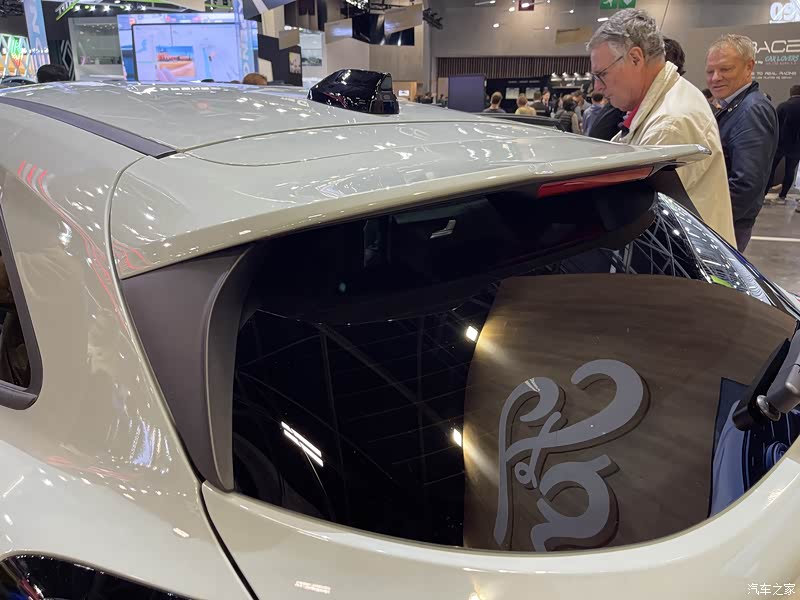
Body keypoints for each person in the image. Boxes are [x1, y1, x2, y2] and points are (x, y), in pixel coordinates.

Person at [587, 9, 735, 247]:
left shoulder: (669, 123)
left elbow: (637, 224)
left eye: (601, 74)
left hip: (682, 260)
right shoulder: (672, 97)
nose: (598, 87)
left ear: (635, 58)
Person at [707, 34, 778, 252]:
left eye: (725, 69)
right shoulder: (735, 106)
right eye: (710, 71)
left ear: (749, 67)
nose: (715, 78)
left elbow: (746, 183)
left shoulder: (752, 110)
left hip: (726, 225)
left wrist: (708, 222)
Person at [765, 85, 800, 206]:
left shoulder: (783, 106)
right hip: (797, 146)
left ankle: (764, 194)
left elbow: (774, 125)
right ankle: (782, 196)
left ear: (791, 93)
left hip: (780, 144)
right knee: (790, 171)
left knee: (771, 169)